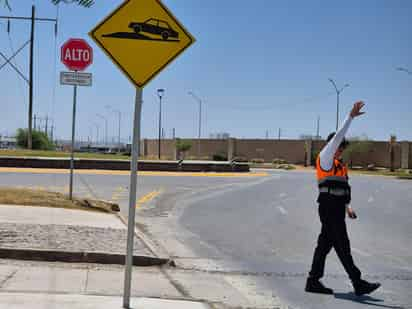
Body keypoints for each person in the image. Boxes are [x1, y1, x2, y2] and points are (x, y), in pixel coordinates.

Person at [305, 101, 381, 296]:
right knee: (342, 244)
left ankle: (313, 281)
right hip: (328, 206)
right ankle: (357, 282)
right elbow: (338, 137)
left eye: (341, 149)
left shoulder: (340, 165)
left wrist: (348, 207)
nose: (340, 151)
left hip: (337, 207)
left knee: (325, 244)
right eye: (338, 147)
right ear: (333, 146)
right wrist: (350, 117)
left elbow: (344, 188)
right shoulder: (326, 157)